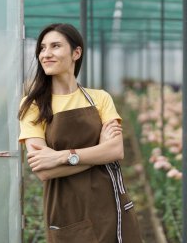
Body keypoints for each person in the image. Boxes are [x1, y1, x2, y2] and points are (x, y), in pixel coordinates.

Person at [18, 23, 142, 243]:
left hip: (110, 201)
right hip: (66, 207)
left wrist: (61, 156)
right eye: (42, 48)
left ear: (76, 52)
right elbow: (44, 171)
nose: (46, 54)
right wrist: (99, 153)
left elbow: (116, 150)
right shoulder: (32, 106)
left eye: (55, 46)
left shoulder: (100, 98)